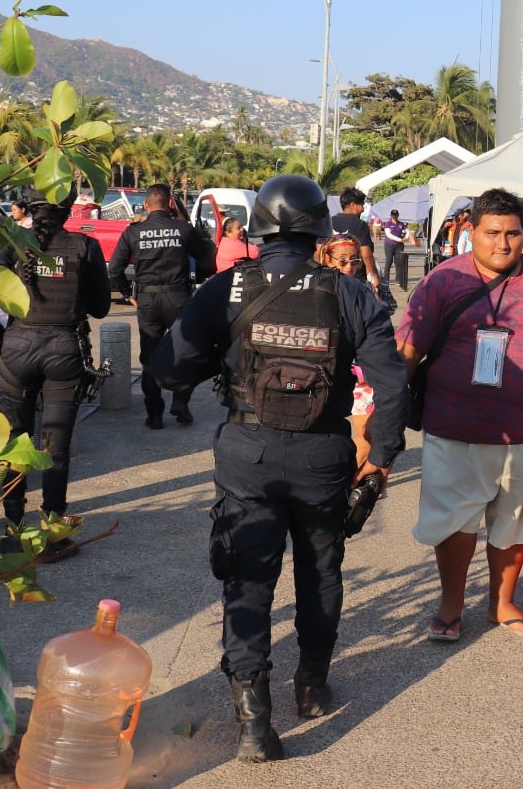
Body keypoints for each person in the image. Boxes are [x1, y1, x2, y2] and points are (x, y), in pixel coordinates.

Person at [151, 175, 407, 763]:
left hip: (249, 455)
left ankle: (252, 726)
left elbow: (168, 372)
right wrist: (381, 463)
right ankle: (312, 688)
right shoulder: (350, 294)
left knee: (248, 582)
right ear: (321, 228)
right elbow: (392, 385)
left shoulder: (224, 289)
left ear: (261, 225)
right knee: (320, 573)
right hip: (323, 456)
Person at [396, 187, 523, 643]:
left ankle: (501, 602)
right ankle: (450, 603)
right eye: (492, 233)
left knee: (517, 521)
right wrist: (378, 405)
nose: (503, 243)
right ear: (471, 231)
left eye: (512, 233)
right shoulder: (443, 280)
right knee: (456, 522)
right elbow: (408, 349)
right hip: (457, 429)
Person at [0, 189, 111, 541]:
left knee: (15, 440)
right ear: (68, 211)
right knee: (55, 443)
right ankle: (52, 527)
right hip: (65, 349)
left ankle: (14, 525)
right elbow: (100, 308)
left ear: (30, 209)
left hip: (17, 346)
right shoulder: (84, 247)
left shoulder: (11, 243)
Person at [108, 184, 216, 429]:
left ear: (145, 205)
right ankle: (180, 402)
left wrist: (127, 295)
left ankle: (154, 414)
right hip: (179, 298)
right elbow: (206, 257)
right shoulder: (183, 229)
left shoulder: (133, 232)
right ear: (170, 204)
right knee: (185, 352)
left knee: (150, 357)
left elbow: (114, 269)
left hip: (147, 301)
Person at [331, 188, 382, 289]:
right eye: (362, 205)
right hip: (355, 277)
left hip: (332, 276)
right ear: (353, 205)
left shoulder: (329, 222)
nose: (363, 209)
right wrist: (374, 275)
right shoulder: (360, 225)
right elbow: (366, 255)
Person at [382, 209, 408, 289]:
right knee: (389, 262)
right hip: (389, 244)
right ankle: (386, 280)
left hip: (399, 245)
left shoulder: (401, 224)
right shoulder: (388, 224)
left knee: (398, 262)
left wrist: (405, 238)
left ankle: (398, 279)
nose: (395, 216)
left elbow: (407, 231)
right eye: (393, 215)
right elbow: (389, 235)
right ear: (391, 215)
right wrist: (400, 239)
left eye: (396, 215)